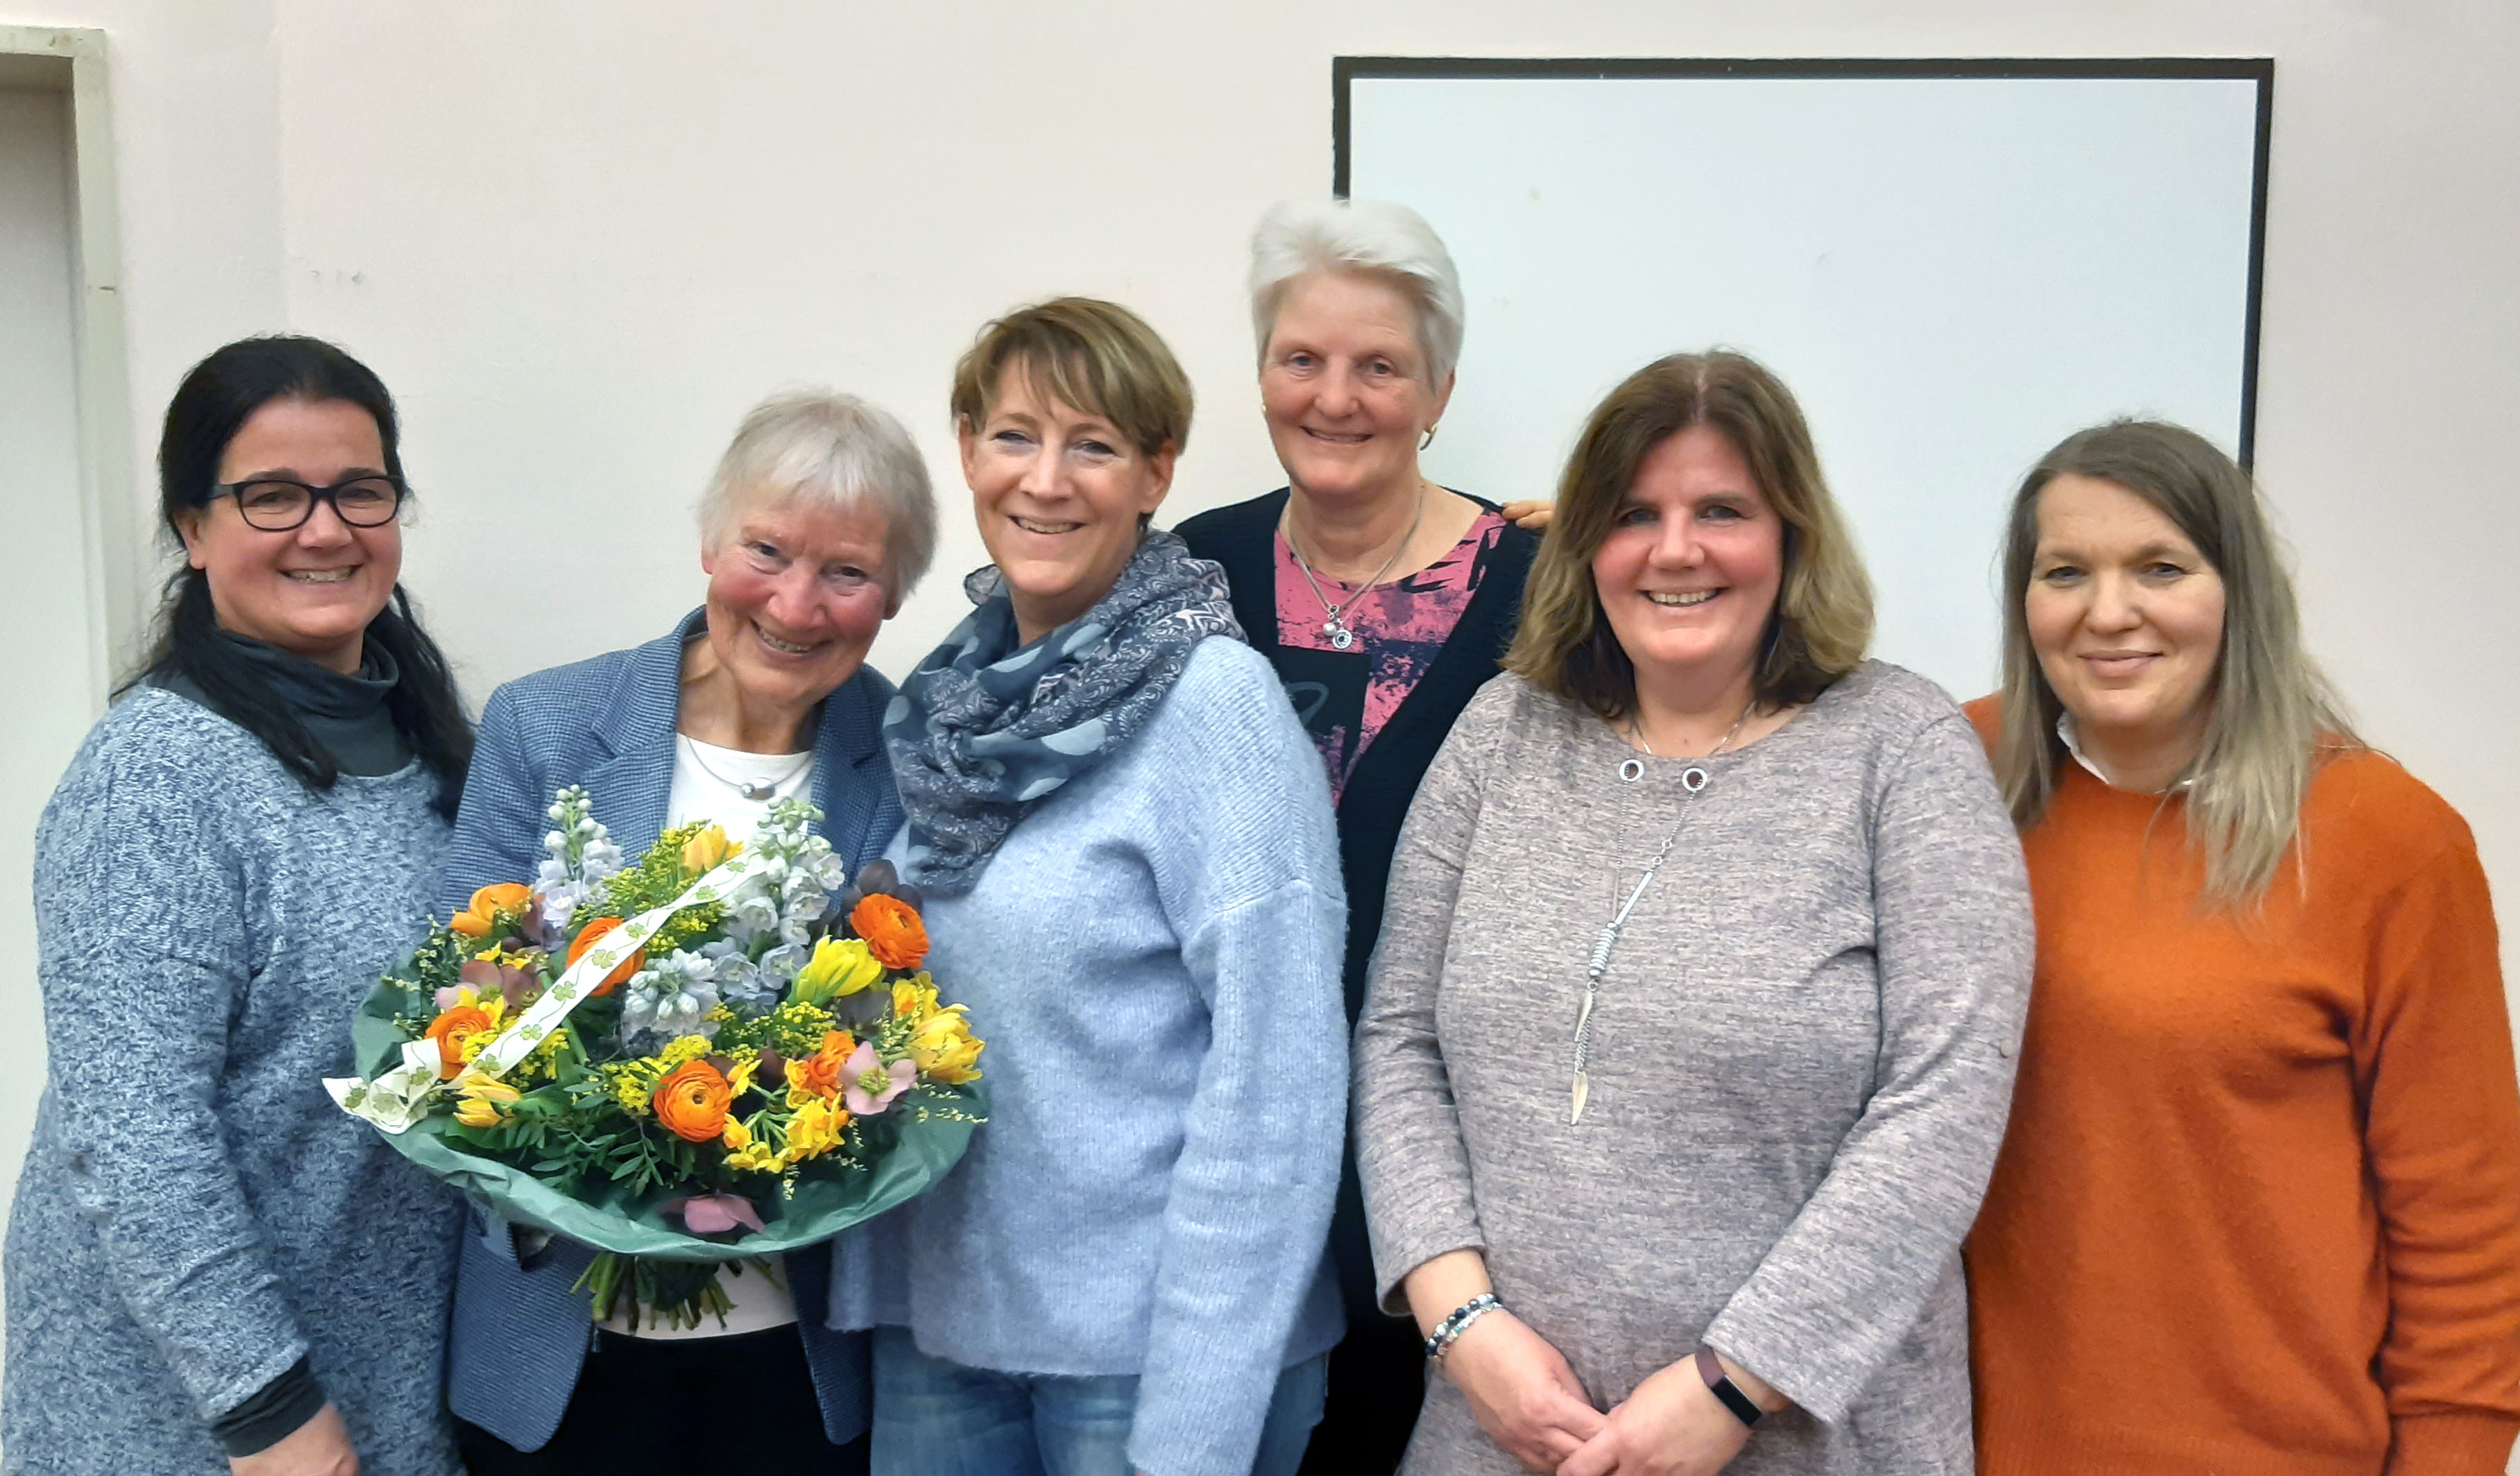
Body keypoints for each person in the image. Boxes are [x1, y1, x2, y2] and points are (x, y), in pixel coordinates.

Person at [1354, 350, 2032, 1476]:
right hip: (1501, 1434)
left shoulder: (1900, 751)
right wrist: (1462, 1324)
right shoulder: (1502, 731)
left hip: (1811, 1440)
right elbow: (1398, 1040)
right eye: (1634, 514)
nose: (1675, 550)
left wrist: (1734, 1382)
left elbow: (1946, 1101)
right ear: (1588, 547)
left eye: (1722, 510)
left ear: (1792, 536)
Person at [1961, 420, 2520, 1474]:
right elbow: (1727, 725)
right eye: (2066, 572)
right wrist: (1571, 561)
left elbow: (2465, 1238)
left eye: (2160, 568)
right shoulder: (1949, 779)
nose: (2109, 611)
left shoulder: (2390, 843)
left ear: (2239, 595)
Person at [849, 297, 1345, 1476]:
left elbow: (1278, 1081)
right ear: (966, 449)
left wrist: (1196, 1425)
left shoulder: (1213, 707)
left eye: (1096, 445)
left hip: (1155, 1366)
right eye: (1015, 435)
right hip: (946, 1336)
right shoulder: (950, 704)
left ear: (1156, 473)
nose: (1047, 481)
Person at [2, 336, 475, 1475]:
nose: (325, 530)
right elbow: (136, 1141)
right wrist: (269, 1414)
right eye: (272, 496)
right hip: (196, 1414)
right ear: (191, 527)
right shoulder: (159, 775)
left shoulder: (431, 751)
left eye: (359, 491)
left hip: (387, 1370)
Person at [439, 391, 936, 1474]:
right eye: (766, 550)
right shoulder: (549, 725)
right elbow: (456, 1004)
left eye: (846, 572)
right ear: (711, 541)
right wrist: (589, 1159)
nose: (796, 604)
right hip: (555, 1340)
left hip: (799, 1362)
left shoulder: (910, 763)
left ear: (894, 595)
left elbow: (917, 1042)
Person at [1174, 200, 1538, 1470]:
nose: (1336, 397)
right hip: (1226, 1145)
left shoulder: (1545, 589)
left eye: (1379, 365)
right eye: (1302, 360)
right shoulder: (1188, 579)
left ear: (1438, 387)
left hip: (1451, 1151)